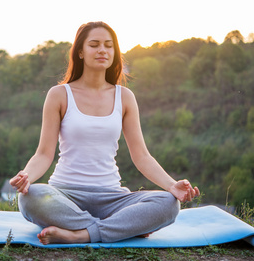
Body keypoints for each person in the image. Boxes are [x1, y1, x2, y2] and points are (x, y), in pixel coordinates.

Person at [10, 21, 200, 245]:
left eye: (109, 46)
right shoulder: (59, 95)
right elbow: (43, 154)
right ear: (80, 52)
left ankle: (81, 234)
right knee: (31, 198)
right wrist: (27, 176)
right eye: (94, 44)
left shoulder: (125, 97)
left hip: (112, 198)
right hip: (66, 196)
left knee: (168, 204)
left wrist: (171, 185)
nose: (103, 50)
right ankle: (119, 228)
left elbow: (142, 156)